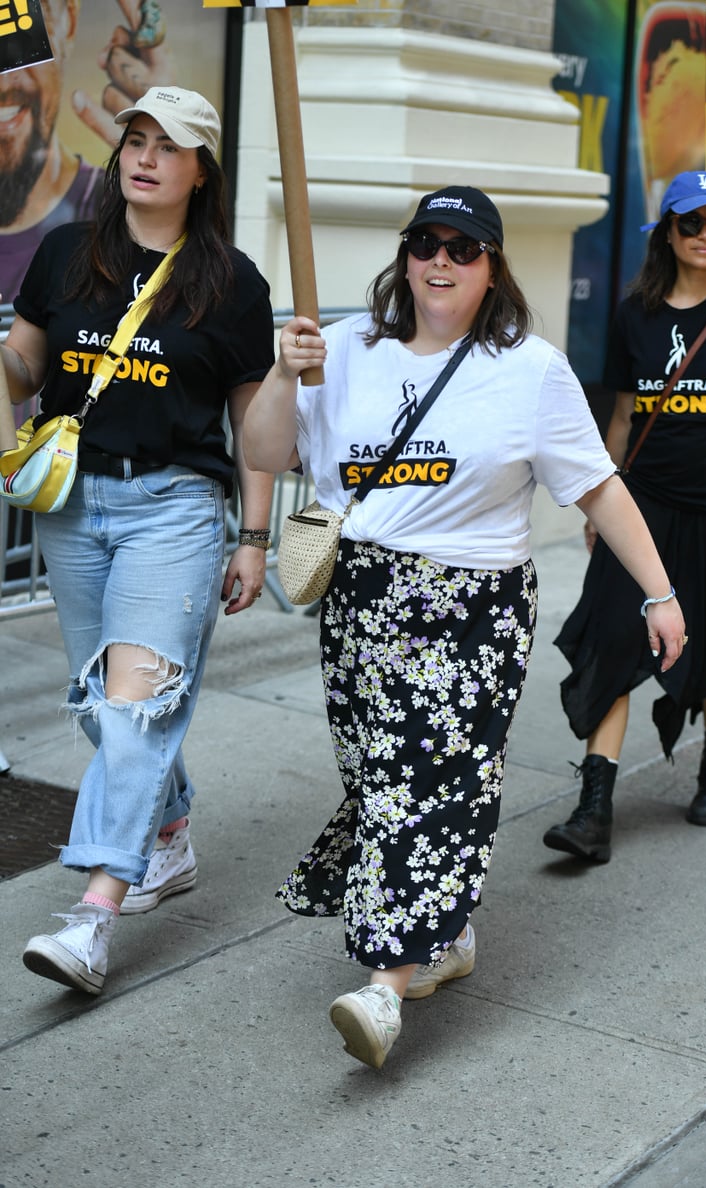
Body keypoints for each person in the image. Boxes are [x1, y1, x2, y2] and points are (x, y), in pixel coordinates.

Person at [243, 185, 686, 1070]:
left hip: (472, 607)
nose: (441, 260)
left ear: (492, 269)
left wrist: (659, 593)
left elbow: (598, 485)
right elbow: (262, 451)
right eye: (426, 243)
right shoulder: (338, 350)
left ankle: (383, 987)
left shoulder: (530, 369)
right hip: (362, 600)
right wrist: (282, 374)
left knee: (427, 784)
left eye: (464, 247)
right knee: (380, 781)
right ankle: (444, 939)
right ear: (405, 257)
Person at [3, 85, 275, 994]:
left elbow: (257, 430)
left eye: (171, 145)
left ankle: (93, 916)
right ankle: (169, 828)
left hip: (177, 509)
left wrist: (255, 537)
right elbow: (26, 370)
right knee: (101, 706)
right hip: (73, 509)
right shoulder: (66, 252)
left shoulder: (232, 283)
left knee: (134, 709)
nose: (146, 157)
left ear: (202, 172)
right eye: (135, 140)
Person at [544, 170, 706, 866]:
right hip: (644, 507)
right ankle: (594, 808)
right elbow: (623, 416)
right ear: (669, 232)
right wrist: (603, 500)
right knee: (614, 638)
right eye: (692, 223)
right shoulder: (636, 315)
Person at [0, 0, 172, 303]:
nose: (3, 86)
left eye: (20, 41)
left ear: (69, 20)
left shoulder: (88, 224)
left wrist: (164, 194)